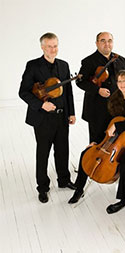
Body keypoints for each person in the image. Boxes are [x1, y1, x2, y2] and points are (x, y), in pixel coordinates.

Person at [68, 70, 125, 210]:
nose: (122, 84)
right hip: (112, 140)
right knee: (86, 154)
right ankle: (79, 189)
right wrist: (97, 141)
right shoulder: (114, 97)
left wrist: (117, 125)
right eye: (119, 81)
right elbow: (105, 122)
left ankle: (122, 199)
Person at [19, 32, 76, 203]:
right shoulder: (33, 66)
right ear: (42, 47)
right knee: (43, 152)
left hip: (61, 117)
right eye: (50, 46)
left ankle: (64, 180)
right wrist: (41, 104)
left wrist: (71, 112)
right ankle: (42, 187)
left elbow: (68, 93)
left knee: (62, 149)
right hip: (43, 118)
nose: (53, 49)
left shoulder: (64, 66)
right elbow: (23, 92)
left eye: (55, 45)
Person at [76, 32, 125, 144]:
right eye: (103, 41)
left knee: (115, 140)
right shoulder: (88, 61)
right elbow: (80, 82)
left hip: (116, 107)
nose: (107, 44)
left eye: (109, 41)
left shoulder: (121, 60)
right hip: (97, 109)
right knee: (97, 142)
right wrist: (97, 90)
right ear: (97, 43)